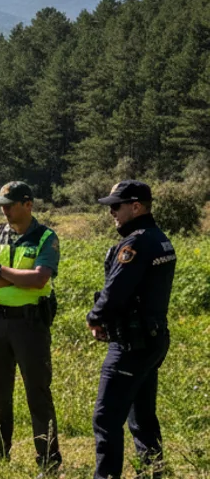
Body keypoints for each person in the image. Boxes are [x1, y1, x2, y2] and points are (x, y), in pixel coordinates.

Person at [87, 180, 176, 479]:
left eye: (116, 206)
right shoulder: (159, 238)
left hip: (131, 344)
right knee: (142, 417)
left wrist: (95, 318)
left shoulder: (135, 243)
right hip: (152, 339)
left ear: (136, 206)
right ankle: (153, 473)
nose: (111, 212)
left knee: (105, 417)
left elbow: (116, 292)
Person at [0, 181, 62, 472]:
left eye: (9, 204)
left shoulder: (45, 237)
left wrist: (1, 271)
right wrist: (18, 276)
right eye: (1, 205)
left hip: (30, 325)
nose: (3, 210)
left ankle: (48, 460)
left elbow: (39, 279)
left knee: (38, 394)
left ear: (27, 204)